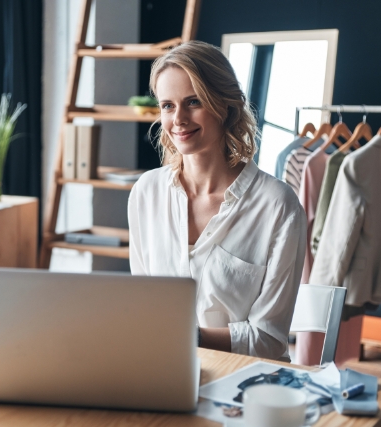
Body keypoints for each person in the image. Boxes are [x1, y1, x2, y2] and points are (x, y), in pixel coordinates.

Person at [128, 41, 306, 361]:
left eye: (193, 102)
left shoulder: (278, 206)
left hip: (243, 383)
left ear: (225, 105)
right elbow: (144, 307)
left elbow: (269, 339)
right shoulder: (146, 193)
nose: (178, 119)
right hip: (160, 371)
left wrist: (186, 336)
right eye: (168, 105)